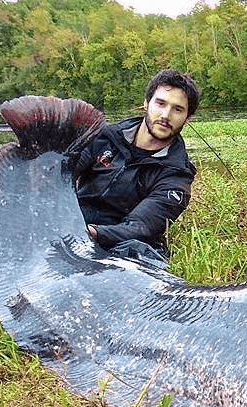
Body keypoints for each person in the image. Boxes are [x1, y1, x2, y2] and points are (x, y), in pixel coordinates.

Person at [71, 69, 201, 266]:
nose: (165, 115)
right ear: (146, 104)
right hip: (74, 223)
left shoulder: (177, 176)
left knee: (137, 252)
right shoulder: (102, 136)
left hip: (123, 243)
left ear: (187, 118)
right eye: (160, 103)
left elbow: (141, 226)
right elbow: (63, 175)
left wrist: (90, 233)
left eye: (178, 109)